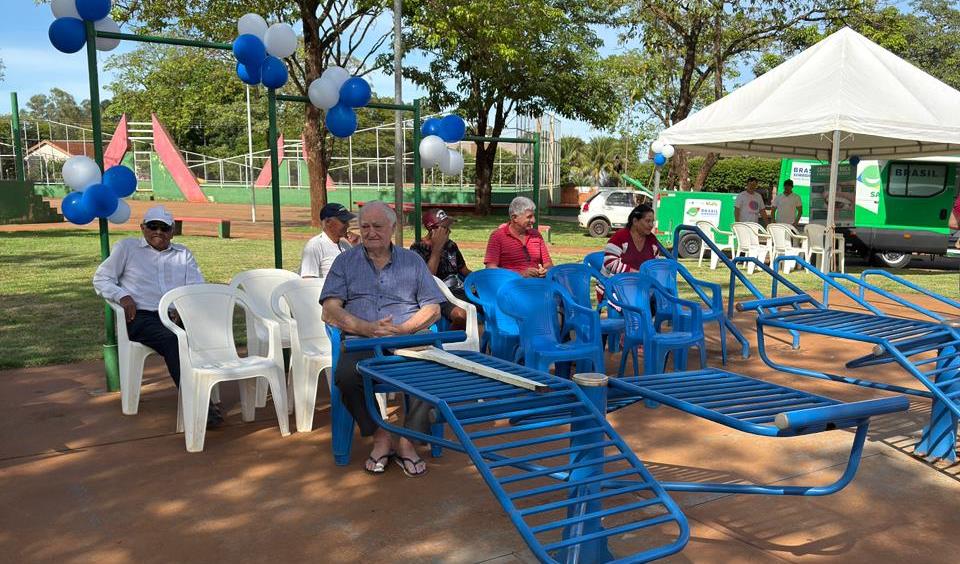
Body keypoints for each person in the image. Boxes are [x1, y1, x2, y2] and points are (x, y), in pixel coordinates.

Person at [320, 201, 444, 477]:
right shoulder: (345, 261)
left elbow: (433, 308)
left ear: (393, 228)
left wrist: (403, 330)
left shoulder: (412, 261)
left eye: (378, 226)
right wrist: (366, 328)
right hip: (362, 338)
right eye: (365, 226)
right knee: (346, 376)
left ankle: (407, 440)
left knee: (433, 372)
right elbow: (329, 309)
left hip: (407, 336)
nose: (371, 232)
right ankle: (380, 436)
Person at [92, 205, 220, 427]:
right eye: (153, 226)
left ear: (172, 231)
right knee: (174, 340)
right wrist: (122, 296)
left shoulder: (183, 254)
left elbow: (196, 286)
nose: (158, 232)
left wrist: (183, 307)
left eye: (164, 228)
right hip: (142, 316)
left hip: (175, 315)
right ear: (143, 228)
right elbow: (101, 279)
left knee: (209, 336)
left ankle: (207, 393)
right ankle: (200, 405)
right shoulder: (127, 248)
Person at [410, 208, 472, 329]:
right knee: (461, 316)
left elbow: (463, 270)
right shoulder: (418, 248)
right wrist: (437, 247)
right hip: (438, 294)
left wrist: (482, 279)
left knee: (493, 305)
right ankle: (452, 343)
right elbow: (427, 279)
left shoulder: (451, 245)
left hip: (458, 290)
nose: (450, 231)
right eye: (445, 228)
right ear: (432, 230)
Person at [599, 204, 661, 304]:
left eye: (652, 221)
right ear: (635, 221)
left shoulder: (652, 240)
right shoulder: (620, 237)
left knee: (664, 298)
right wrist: (635, 273)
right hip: (613, 286)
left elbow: (655, 264)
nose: (651, 225)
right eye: (647, 221)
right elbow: (609, 262)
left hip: (640, 287)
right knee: (641, 303)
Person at [483, 196, 553, 277]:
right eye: (529, 217)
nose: (534, 220)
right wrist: (520, 274)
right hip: (510, 286)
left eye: (533, 216)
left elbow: (548, 264)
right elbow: (490, 268)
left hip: (536, 284)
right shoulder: (497, 236)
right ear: (514, 218)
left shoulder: (536, 235)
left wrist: (545, 271)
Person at [300, 203, 359, 279]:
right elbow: (308, 280)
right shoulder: (314, 246)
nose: (348, 225)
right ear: (328, 222)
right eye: (343, 221)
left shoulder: (346, 245)